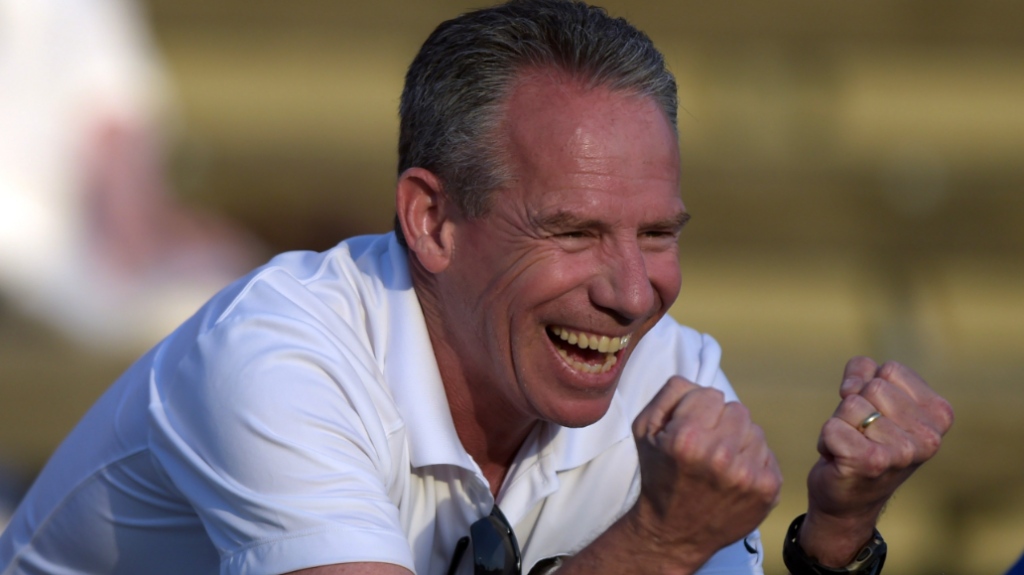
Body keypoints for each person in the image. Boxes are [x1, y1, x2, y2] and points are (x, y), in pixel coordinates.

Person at [0, 2, 953, 574]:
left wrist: (834, 537)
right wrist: (657, 544)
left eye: (658, 233)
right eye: (573, 232)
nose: (633, 292)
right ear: (431, 221)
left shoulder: (669, 369)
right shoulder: (276, 352)